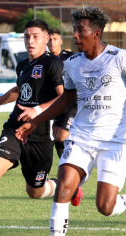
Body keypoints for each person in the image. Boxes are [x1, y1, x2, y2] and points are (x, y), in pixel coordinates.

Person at [15, 6, 126, 236]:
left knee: (105, 206)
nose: (75, 35)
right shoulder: (72, 64)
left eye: (81, 30)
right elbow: (67, 98)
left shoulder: (120, 58)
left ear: (96, 34)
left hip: (116, 142)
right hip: (81, 136)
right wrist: (36, 120)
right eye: (74, 30)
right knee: (64, 187)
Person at [0, 20, 81, 236]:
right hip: (14, 130)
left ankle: (64, 185)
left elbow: (64, 97)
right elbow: (19, 90)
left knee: (35, 192)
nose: (30, 41)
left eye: (35, 37)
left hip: (40, 137)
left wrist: (38, 109)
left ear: (46, 39)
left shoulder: (54, 65)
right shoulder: (23, 65)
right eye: (27, 37)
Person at [47, 28, 78, 158]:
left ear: (61, 41)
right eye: (49, 40)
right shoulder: (45, 60)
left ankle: (75, 160)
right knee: (56, 136)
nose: (52, 43)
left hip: (72, 103)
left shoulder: (71, 57)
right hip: (58, 104)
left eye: (55, 39)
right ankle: (64, 165)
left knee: (61, 136)